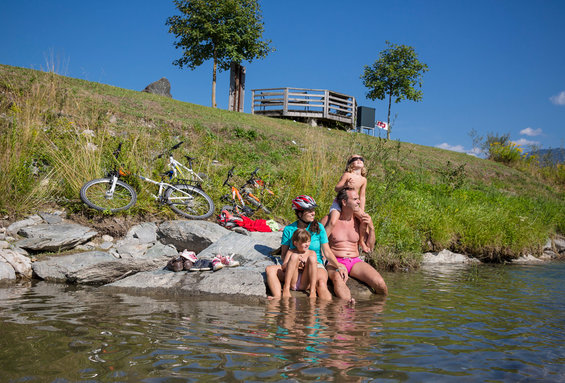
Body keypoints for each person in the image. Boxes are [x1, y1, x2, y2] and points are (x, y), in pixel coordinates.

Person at [265, 195, 347, 300]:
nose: (313, 213)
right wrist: (293, 263)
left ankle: (328, 310)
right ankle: (277, 299)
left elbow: (327, 252)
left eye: (313, 210)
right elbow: (284, 254)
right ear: (300, 213)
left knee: (321, 283)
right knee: (270, 270)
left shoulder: (319, 227)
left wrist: (338, 266)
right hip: (293, 267)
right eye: (309, 211)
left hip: (314, 265)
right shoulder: (289, 229)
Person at [326, 188, 388, 300]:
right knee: (338, 281)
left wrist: (372, 227)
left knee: (380, 284)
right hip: (335, 260)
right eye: (355, 199)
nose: (359, 202)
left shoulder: (359, 221)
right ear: (344, 202)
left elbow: (369, 246)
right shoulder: (329, 220)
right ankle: (347, 309)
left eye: (358, 199)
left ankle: (376, 310)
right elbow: (320, 244)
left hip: (355, 261)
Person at [327, 155, 371, 253]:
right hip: (340, 202)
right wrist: (345, 185)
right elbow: (336, 188)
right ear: (351, 163)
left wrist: (362, 210)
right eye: (355, 159)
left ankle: (361, 241)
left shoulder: (363, 179)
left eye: (361, 159)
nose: (359, 160)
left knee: (364, 219)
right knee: (333, 221)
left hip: (353, 203)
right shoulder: (347, 174)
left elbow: (362, 196)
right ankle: (323, 242)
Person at [281, 229, 317, 299]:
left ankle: (313, 290)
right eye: (304, 242)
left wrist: (305, 265)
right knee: (294, 256)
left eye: (308, 241)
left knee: (312, 258)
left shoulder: (312, 253)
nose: (307, 244)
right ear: (295, 243)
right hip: (293, 281)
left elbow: (314, 269)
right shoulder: (291, 251)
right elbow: (283, 267)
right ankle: (286, 287)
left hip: (304, 282)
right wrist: (295, 263)